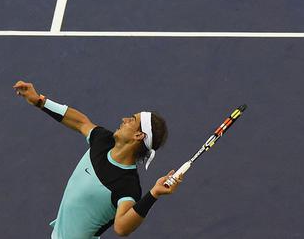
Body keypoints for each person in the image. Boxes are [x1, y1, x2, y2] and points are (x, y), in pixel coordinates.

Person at [13, 80, 180, 238]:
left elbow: (121, 228)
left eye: (132, 120)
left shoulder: (127, 186)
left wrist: (154, 194)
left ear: (138, 135)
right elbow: (80, 122)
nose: (124, 119)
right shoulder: (103, 140)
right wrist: (40, 101)